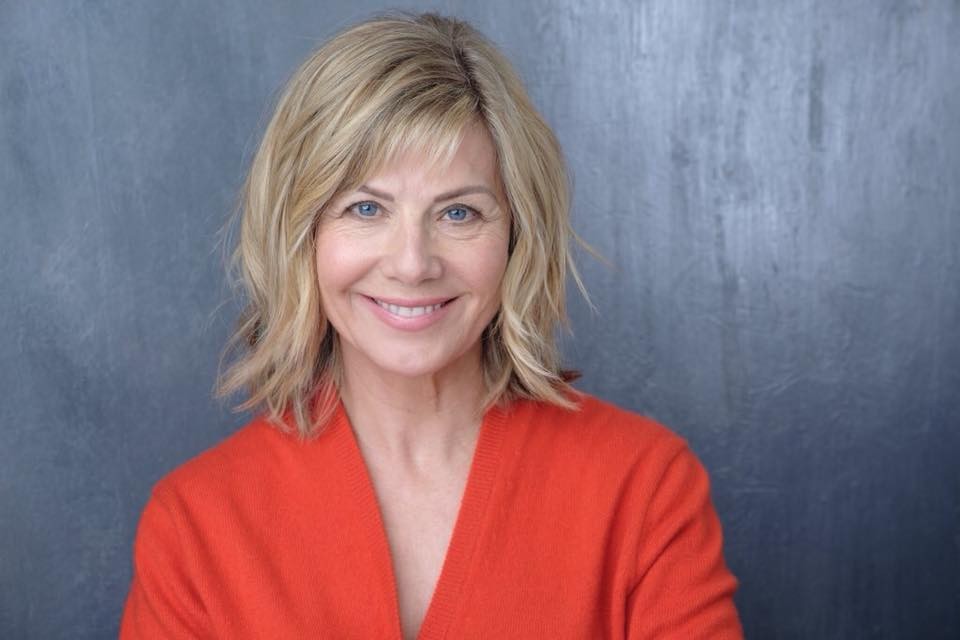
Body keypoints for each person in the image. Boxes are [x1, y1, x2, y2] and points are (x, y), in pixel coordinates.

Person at [119, 11, 742, 639]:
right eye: (366, 208)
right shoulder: (194, 526)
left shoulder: (644, 489)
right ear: (300, 234)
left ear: (517, 237)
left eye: (459, 213)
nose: (413, 264)